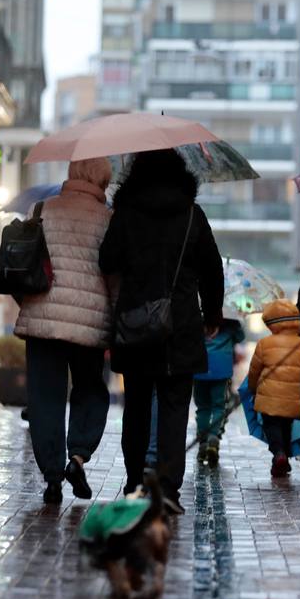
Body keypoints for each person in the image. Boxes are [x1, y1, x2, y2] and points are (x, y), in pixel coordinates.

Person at [100, 149, 223, 516]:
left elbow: (107, 260)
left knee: (136, 408)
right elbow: (212, 268)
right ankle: (168, 488)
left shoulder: (126, 213)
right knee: (174, 410)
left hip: (136, 323)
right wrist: (212, 311)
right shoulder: (191, 214)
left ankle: (137, 482)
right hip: (182, 324)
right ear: (180, 173)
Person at [14, 158, 114, 504]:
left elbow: (23, 262)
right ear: (103, 180)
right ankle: (78, 456)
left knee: (45, 399)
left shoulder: (43, 209)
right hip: (90, 324)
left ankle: (53, 478)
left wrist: (28, 304)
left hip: (43, 318)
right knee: (90, 390)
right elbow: (114, 274)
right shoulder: (109, 219)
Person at [247, 299, 300, 478]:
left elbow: (254, 371)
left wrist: (252, 389)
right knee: (286, 428)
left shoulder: (264, 344)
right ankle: (283, 459)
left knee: (272, 427)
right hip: (293, 398)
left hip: (269, 398)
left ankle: (279, 454)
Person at [193, 312, 245, 466]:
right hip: (221, 370)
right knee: (218, 406)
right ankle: (213, 437)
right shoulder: (230, 321)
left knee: (202, 407)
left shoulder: (198, 317)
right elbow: (240, 338)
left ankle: (202, 442)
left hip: (199, 368)